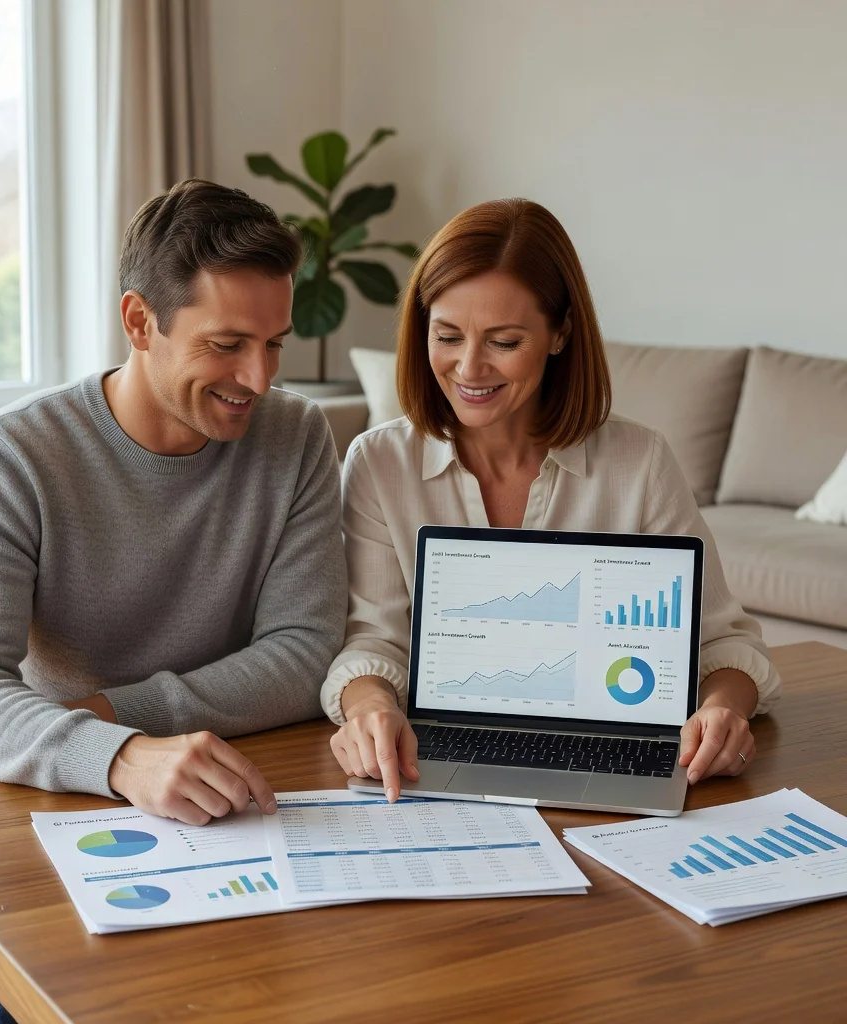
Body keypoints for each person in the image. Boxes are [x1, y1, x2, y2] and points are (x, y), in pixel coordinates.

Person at [0, 178, 347, 826]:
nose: (260, 378)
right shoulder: (8, 456)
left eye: (274, 343)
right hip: (61, 782)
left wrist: (120, 714)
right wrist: (119, 756)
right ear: (139, 322)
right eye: (227, 345)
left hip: (248, 773)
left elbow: (306, 652)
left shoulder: (297, 435)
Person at [322, 198, 780, 803]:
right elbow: (373, 641)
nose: (469, 367)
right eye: (447, 335)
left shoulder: (639, 463)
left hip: (617, 754)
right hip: (426, 769)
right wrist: (369, 708)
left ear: (561, 332)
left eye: (504, 342)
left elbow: (725, 642)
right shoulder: (380, 463)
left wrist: (724, 711)